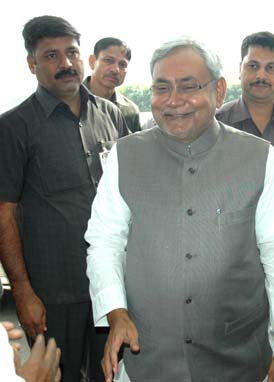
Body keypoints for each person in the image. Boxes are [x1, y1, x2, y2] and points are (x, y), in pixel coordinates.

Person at [85, 36, 274, 382]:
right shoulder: (125, 157)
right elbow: (104, 242)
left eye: (188, 87)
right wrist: (115, 312)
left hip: (237, 357)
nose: (173, 101)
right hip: (148, 357)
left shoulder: (259, 158)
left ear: (218, 91)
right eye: (161, 88)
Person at [0, 15, 129, 382]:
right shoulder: (13, 127)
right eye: (52, 56)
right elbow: (3, 212)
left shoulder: (111, 115)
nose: (66, 64)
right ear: (32, 64)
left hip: (111, 285)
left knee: (112, 373)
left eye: (71, 52)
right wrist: (23, 293)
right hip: (53, 294)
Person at [216, 31, 274, 154]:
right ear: (240, 69)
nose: (261, 76)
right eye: (253, 66)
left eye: (270, 67)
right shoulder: (215, 123)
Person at [84, 37, 141, 133]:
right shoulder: (68, 100)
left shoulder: (130, 111)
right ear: (92, 61)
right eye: (108, 61)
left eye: (122, 65)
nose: (115, 69)